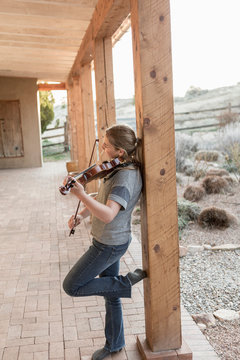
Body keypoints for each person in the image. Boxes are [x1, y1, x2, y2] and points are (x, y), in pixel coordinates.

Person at [62, 124, 147, 360]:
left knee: (72, 286)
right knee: (111, 296)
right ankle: (114, 344)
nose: (102, 147)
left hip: (109, 245)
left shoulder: (125, 177)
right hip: (109, 240)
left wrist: (79, 195)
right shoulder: (120, 167)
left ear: (120, 151)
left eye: (106, 145)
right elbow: (100, 199)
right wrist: (81, 214)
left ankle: (124, 283)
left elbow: (109, 214)